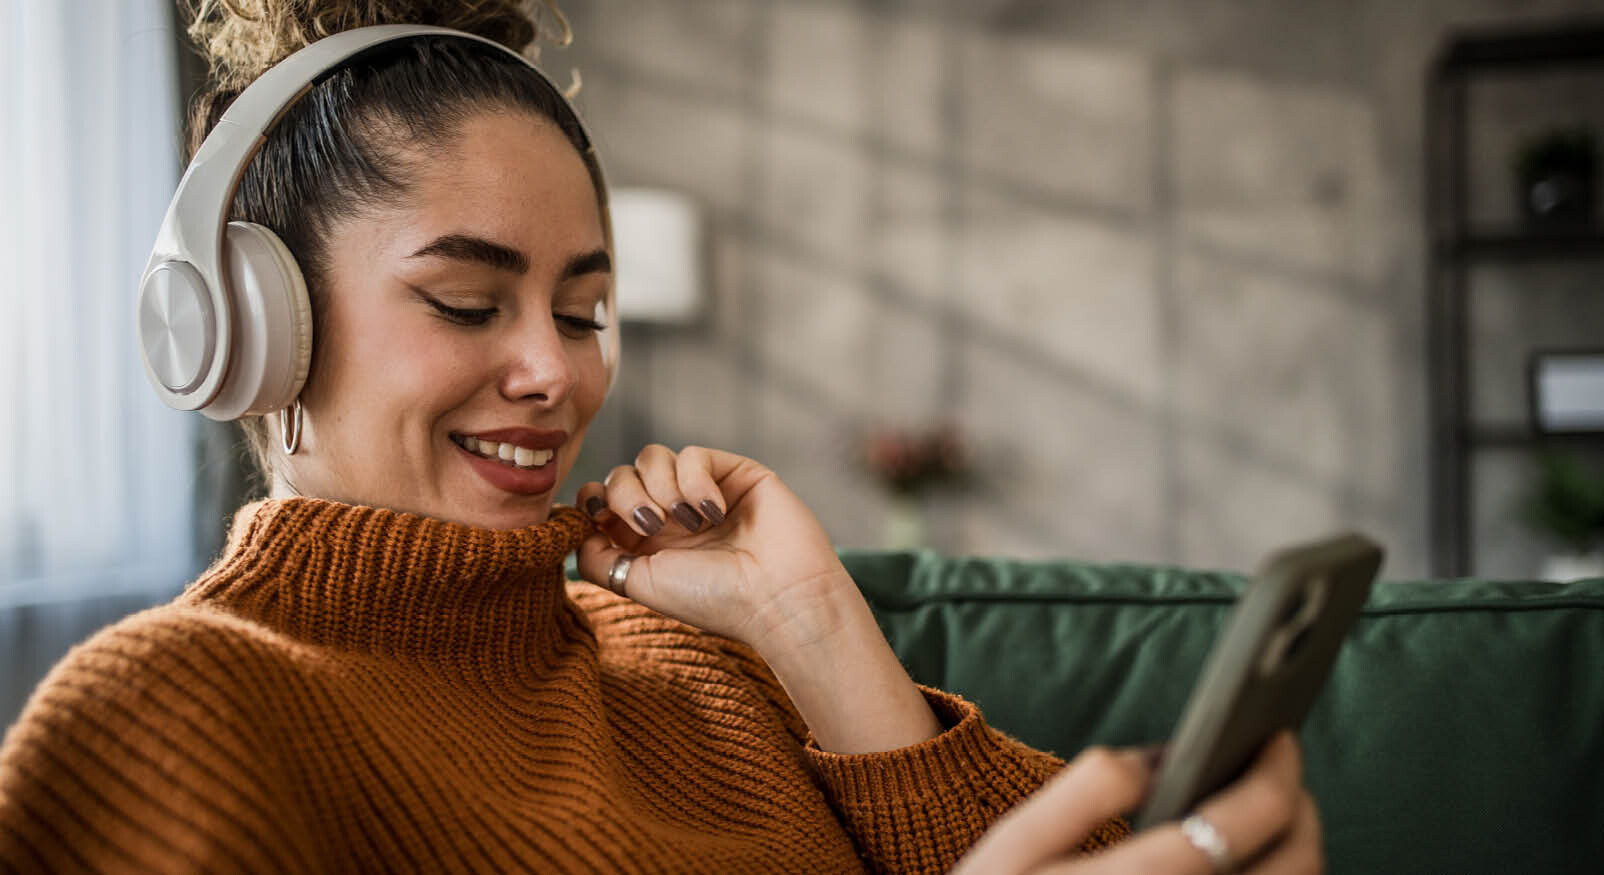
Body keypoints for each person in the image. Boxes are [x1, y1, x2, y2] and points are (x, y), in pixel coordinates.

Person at [0, 2, 1321, 872]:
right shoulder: (171, 713)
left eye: (583, 310)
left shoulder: (702, 673)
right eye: (468, 301)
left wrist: (812, 625)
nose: (553, 372)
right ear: (248, 326)